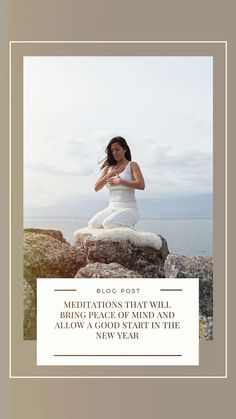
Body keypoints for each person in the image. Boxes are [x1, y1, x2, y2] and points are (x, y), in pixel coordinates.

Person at [88, 136, 145, 229]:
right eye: (112, 151)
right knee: (93, 224)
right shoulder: (109, 168)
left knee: (108, 224)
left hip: (129, 209)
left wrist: (121, 181)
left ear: (125, 149)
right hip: (112, 208)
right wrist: (111, 173)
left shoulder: (132, 165)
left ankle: (129, 230)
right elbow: (96, 188)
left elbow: (141, 185)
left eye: (117, 149)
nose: (114, 152)